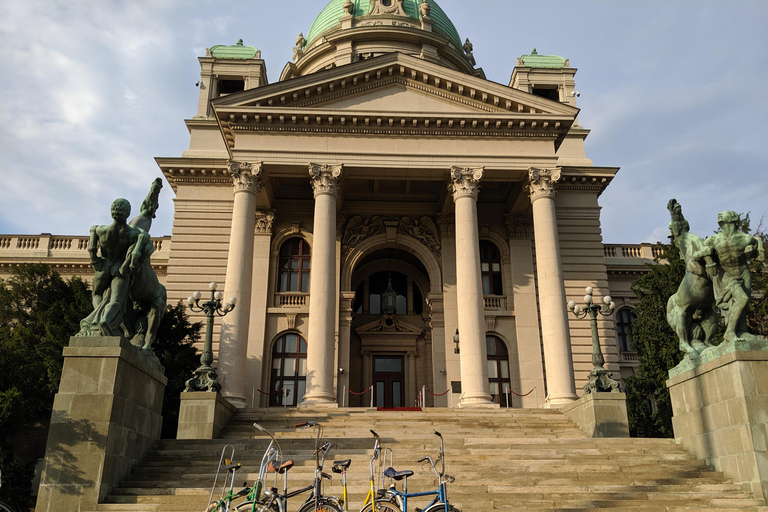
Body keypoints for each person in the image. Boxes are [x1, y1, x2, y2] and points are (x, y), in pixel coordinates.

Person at [697, 210, 765, 342]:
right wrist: (708, 258)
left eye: (724, 214)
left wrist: (752, 252)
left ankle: (742, 332)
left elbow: (760, 258)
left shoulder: (746, 239)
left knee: (742, 306)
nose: (719, 215)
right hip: (724, 274)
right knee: (742, 299)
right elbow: (696, 256)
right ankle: (729, 333)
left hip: (743, 272)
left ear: (733, 219)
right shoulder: (713, 240)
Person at [84, 198, 146, 337]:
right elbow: (137, 252)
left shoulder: (98, 229)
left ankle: (98, 319)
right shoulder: (134, 234)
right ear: (128, 213)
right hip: (120, 269)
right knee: (116, 301)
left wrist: (96, 263)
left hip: (103, 265)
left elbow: (92, 249)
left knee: (96, 294)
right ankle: (105, 319)